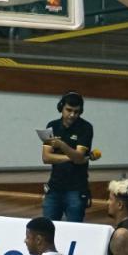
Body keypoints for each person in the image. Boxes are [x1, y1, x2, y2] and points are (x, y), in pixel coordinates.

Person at [41, 91, 96, 222]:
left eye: (76, 111)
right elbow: (46, 158)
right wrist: (72, 157)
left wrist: (61, 145)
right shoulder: (51, 126)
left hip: (76, 189)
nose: (72, 115)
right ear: (61, 108)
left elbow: (78, 158)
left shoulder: (86, 128)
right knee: (47, 227)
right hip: (54, 187)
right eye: (69, 110)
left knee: (75, 228)